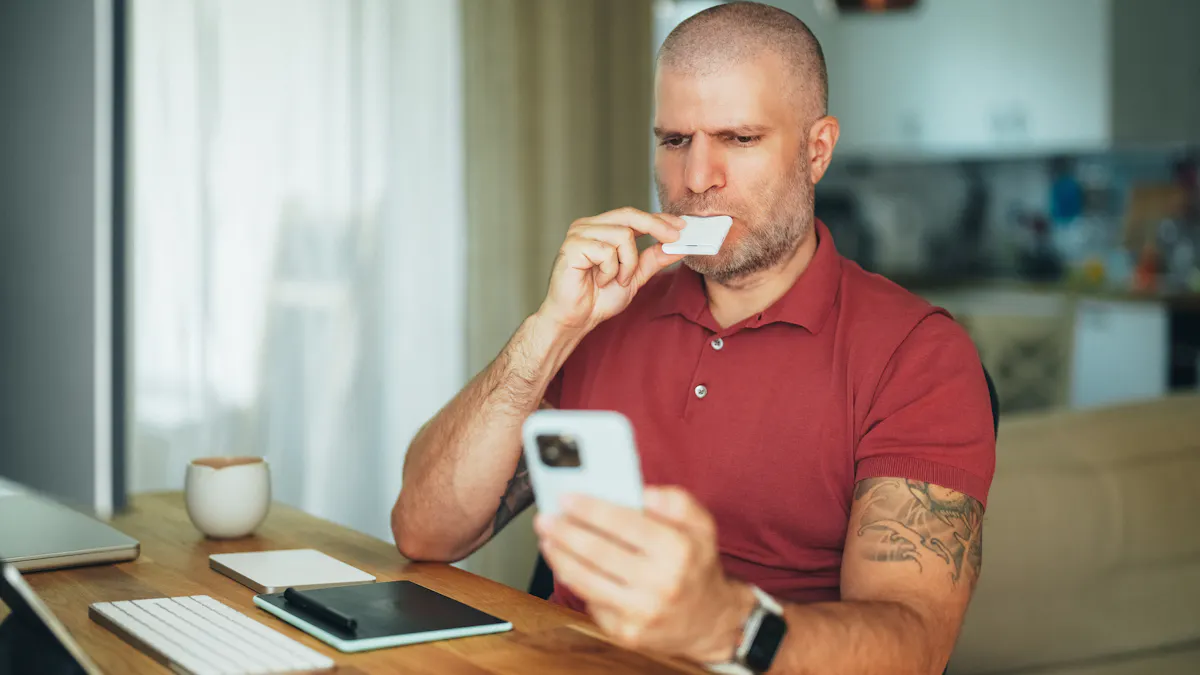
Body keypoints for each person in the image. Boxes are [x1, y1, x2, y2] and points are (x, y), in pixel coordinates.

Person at [392, 2, 995, 673]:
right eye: (675, 140)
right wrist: (546, 333)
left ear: (816, 150)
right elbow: (423, 530)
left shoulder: (918, 355)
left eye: (739, 138)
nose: (696, 179)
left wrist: (722, 622)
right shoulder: (604, 315)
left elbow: (914, 647)